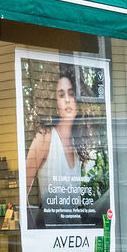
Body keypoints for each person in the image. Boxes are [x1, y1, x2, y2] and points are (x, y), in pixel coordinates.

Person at [25, 69, 87, 224]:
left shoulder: (78, 146)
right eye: (61, 95)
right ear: (53, 102)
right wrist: (32, 232)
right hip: (52, 239)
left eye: (71, 93)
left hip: (77, 239)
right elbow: (21, 190)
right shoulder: (45, 138)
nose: (67, 99)